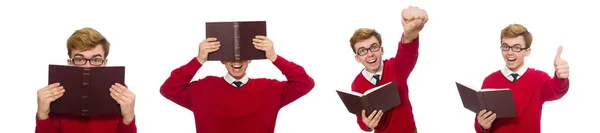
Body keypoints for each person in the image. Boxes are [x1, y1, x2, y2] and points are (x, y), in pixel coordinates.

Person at [160, 35, 315, 133]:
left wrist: (274, 57)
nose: (236, 61)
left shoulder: (271, 89)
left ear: (250, 59)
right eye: (230, 56)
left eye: (243, 56)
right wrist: (199, 59)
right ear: (221, 59)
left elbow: (304, 83)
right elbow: (168, 89)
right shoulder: (203, 89)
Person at [35, 27, 137, 133]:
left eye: (96, 60)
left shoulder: (120, 92)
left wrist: (129, 118)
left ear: (105, 63)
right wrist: (42, 115)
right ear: (70, 63)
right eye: (79, 59)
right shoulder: (55, 91)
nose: (88, 66)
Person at [474, 24, 570, 133]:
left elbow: (556, 90)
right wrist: (482, 126)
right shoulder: (489, 81)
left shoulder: (539, 79)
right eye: (506, 46)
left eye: (517, 48)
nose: (510, 52)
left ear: (527, 51)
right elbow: (480, 124)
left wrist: (561, 77)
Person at [348, 6, 427, 133]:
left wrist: (410, 35)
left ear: (381, 50)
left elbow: (407, 54)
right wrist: (367, 125)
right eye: (362, 51)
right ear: (357, 58)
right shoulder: (357, 84)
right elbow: (361, 119)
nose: (370, 54)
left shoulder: (395, 67)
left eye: (374, 47)